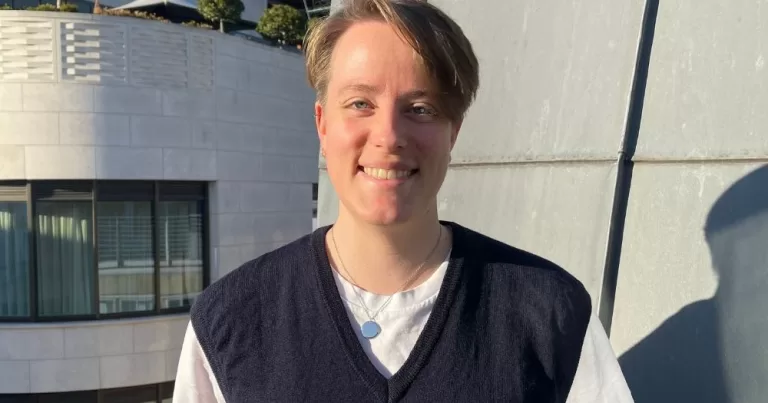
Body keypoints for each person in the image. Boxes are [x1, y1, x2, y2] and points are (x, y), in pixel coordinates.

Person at [173, 0, 634, 401]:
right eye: (359, 104)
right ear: (322, 123)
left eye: (421, 109)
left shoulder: (550, 313)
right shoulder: (231, 323)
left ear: (453, 130)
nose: (389, 136)